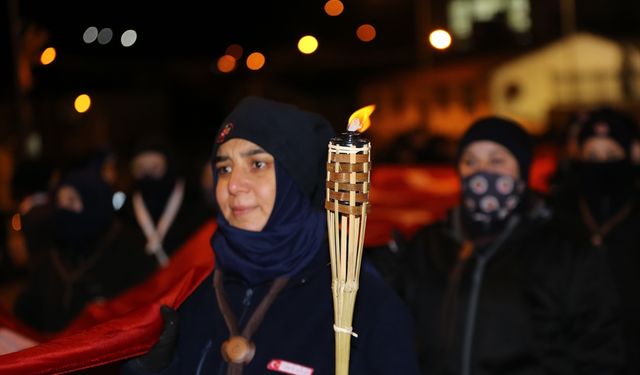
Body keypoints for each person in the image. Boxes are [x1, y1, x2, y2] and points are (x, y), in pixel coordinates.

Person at [124, 96, 421, 374]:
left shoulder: (360, 303)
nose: (233, 185)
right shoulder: (193, 293)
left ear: (298, 175)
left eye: (257, 164)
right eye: (224, 168)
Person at [368, 116, 625, 374]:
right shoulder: (429, 245)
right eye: (471, 161)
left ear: (522, 170)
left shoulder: (565, 249)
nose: (482, 172)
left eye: (496, 160)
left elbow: (600, 351)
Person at [548, 107, 640, 375]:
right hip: (575, 357)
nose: (602, 163)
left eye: (611, 155)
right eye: (592, 155)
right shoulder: (561, 214)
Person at [13, 164, 151, 332]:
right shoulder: (52, 251)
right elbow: (31, 311)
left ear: (92, 201)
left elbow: (140, 308)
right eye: (59, 202)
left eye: (71, 200)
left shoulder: (128, 247)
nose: (64, 208)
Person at [122, 137, 211, 268]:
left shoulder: (192, 202)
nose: (148, 174)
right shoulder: (127, 211)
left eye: (154, 167)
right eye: (140, 168)